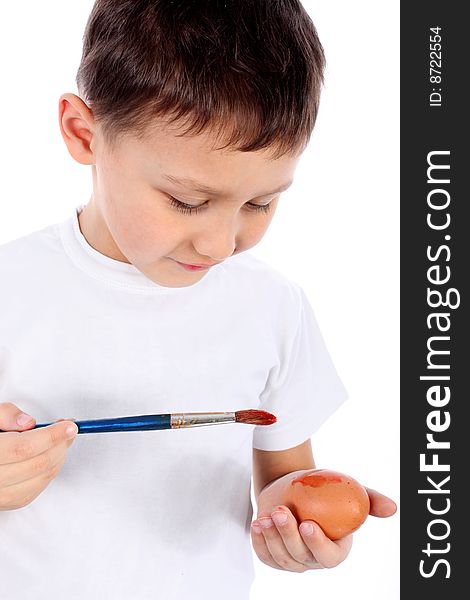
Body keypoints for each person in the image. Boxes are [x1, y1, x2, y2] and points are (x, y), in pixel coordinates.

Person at [0, 1, 396, 599]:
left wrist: (296, 526)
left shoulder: (272, 308)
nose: (220, 243)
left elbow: (284, 482)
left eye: (260, 203)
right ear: (84, 134)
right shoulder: (12, 288)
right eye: (186, 201)